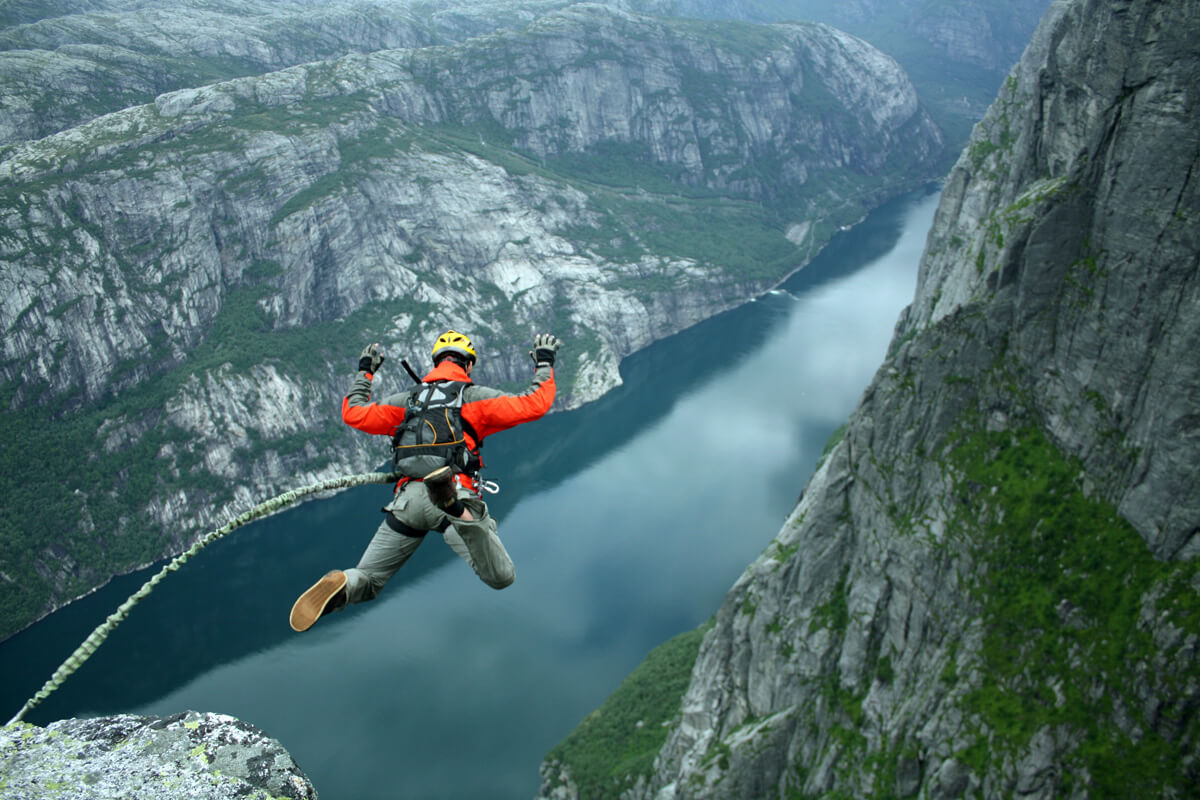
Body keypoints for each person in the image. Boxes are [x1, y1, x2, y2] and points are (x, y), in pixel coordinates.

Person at [289, 329, 561, 632]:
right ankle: (454, 507)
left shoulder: (407, 402)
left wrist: (365, 373)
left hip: (407, 503)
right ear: (468, 365)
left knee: (369, 579)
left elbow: (354, 413)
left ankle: (344, 586)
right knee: (501, 576)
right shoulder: (473, 399)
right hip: (452, 498)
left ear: (435, 363)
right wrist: (544, 363)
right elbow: (534, 404)